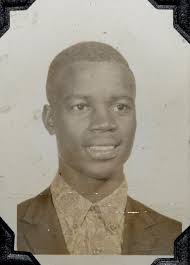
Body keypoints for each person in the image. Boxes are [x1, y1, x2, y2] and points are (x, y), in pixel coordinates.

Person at [17, 41, 182, 255]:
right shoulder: (11, 226)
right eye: (81, 107)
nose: (104, 123)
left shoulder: (174, 235)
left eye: (120, 106)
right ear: (50, 119)